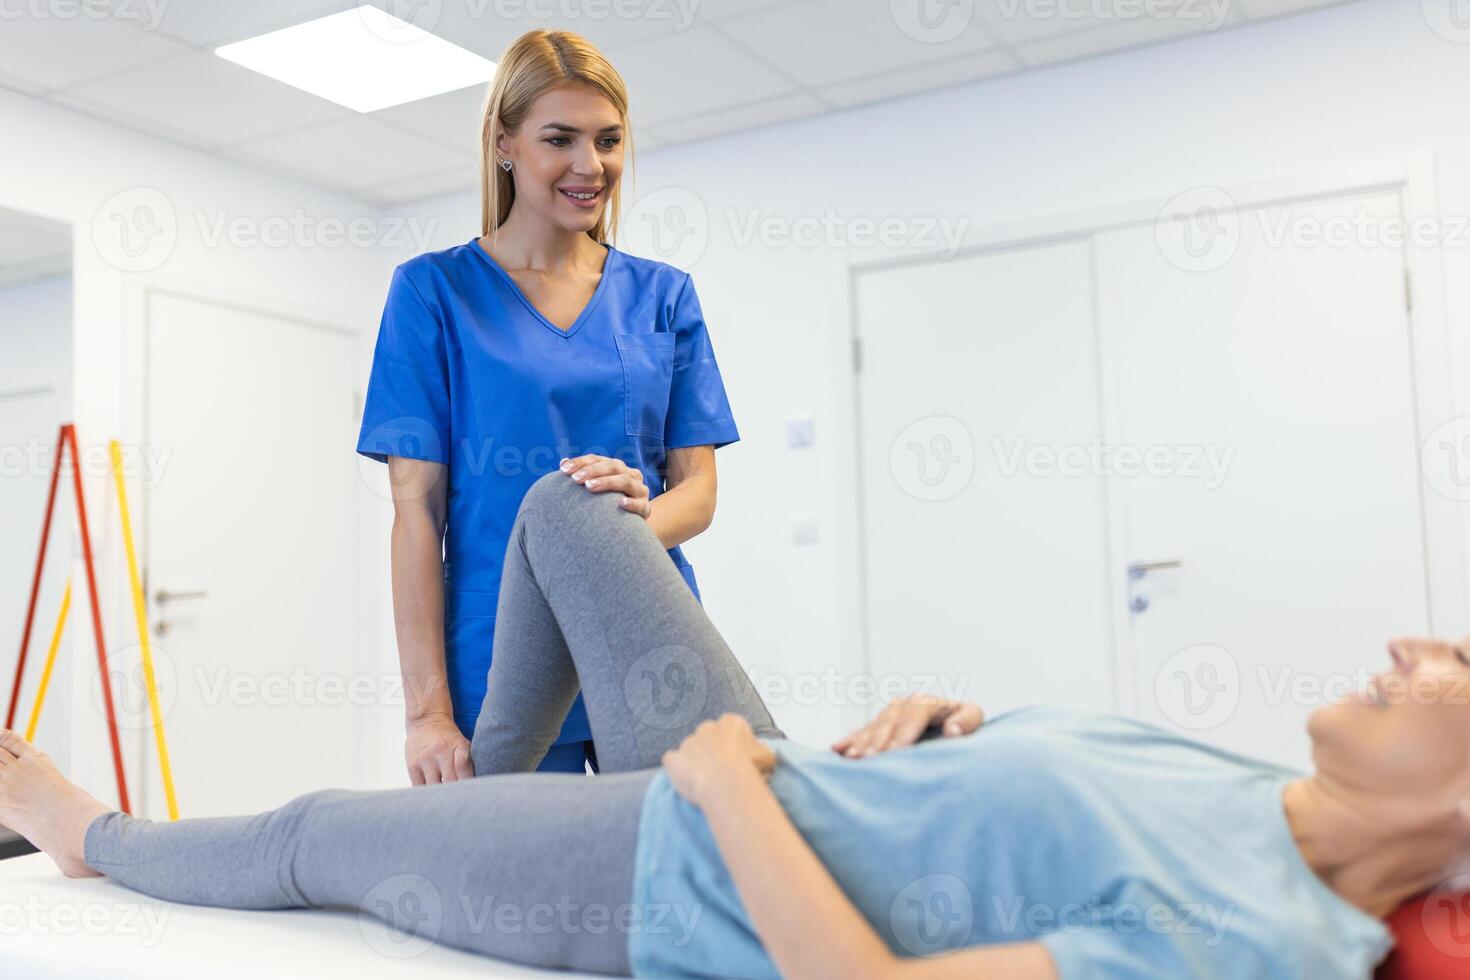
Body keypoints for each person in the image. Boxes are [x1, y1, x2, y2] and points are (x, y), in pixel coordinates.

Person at [1, 469, 1462, 978]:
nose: (1408, 643)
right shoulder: (1251, 784)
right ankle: (482, 807)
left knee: (318, 833)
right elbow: (1039, 801)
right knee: (568, 508)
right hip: (782, 772)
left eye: (1452, 662)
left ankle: (86, 831)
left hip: (690, 860)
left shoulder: (1261, 936)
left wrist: (732, 793)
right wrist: (958, 725)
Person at [357, 29, 739, 780]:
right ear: (505, 143)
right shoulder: (433, 294)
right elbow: (415, 517)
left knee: (671, 874)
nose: (589, 166)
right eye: (559, 139)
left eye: (608, 140)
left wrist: (614, 531)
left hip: (647, 636)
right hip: (501, 653)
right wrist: (427, 711)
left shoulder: (663, 296)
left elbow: (697, 492)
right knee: (526, 891)